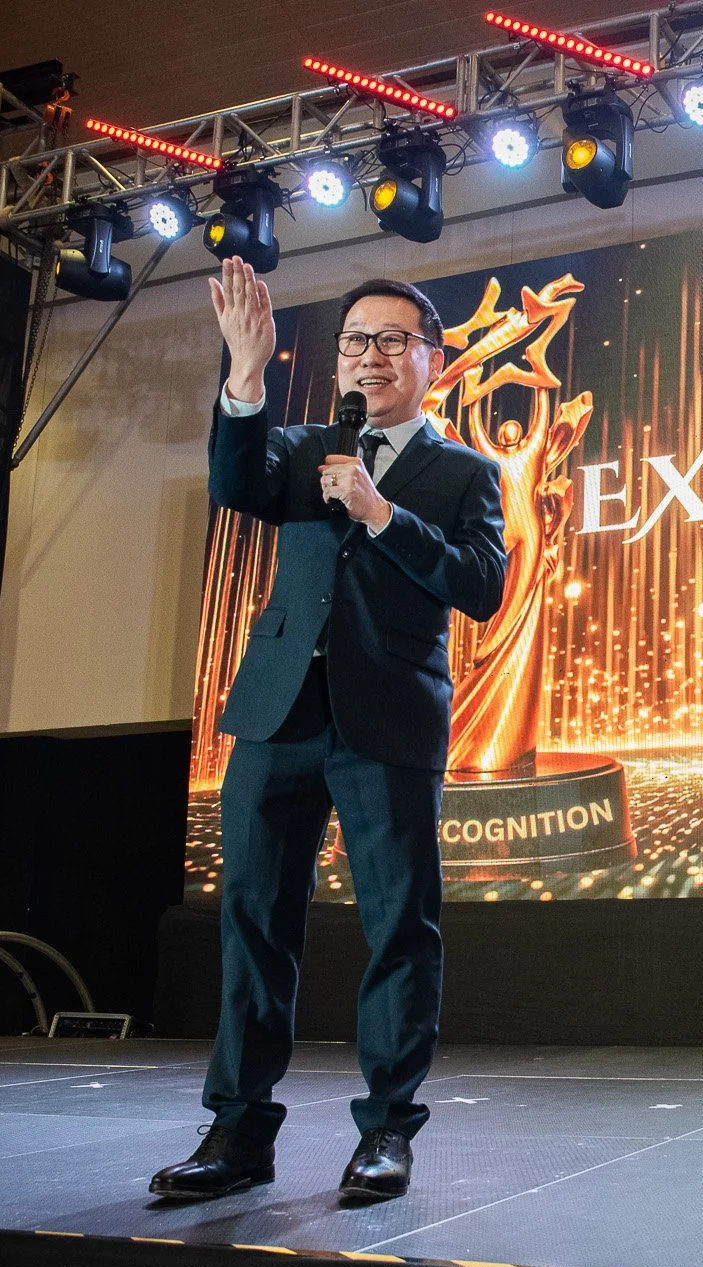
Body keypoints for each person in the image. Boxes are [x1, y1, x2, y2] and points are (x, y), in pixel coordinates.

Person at [150, 261, 509, 1202]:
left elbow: (481, 584)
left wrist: (381, 513)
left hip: (387, 719)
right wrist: (244, 375)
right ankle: (236, 1132)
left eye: (393, 341)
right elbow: (236, 483)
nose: (372, 356)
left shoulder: (467, 470)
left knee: (399, 926)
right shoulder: (306, 444)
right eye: (356, 341)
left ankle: (387, 1130)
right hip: (278, 716)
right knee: (255, 921)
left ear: (432, 359)